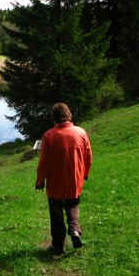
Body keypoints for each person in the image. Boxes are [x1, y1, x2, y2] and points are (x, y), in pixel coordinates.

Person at [35, 103, 92, 255]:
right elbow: (88, 156)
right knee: (72, 207)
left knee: (56, 216)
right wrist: (84, 174)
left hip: (55, 185)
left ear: (54, 118)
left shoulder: (49, 136)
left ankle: (58, 247)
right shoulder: (81, 132)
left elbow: (44, 162)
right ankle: (74, 231)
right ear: (69, 115)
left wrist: (40, 180)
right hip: (74, 182)